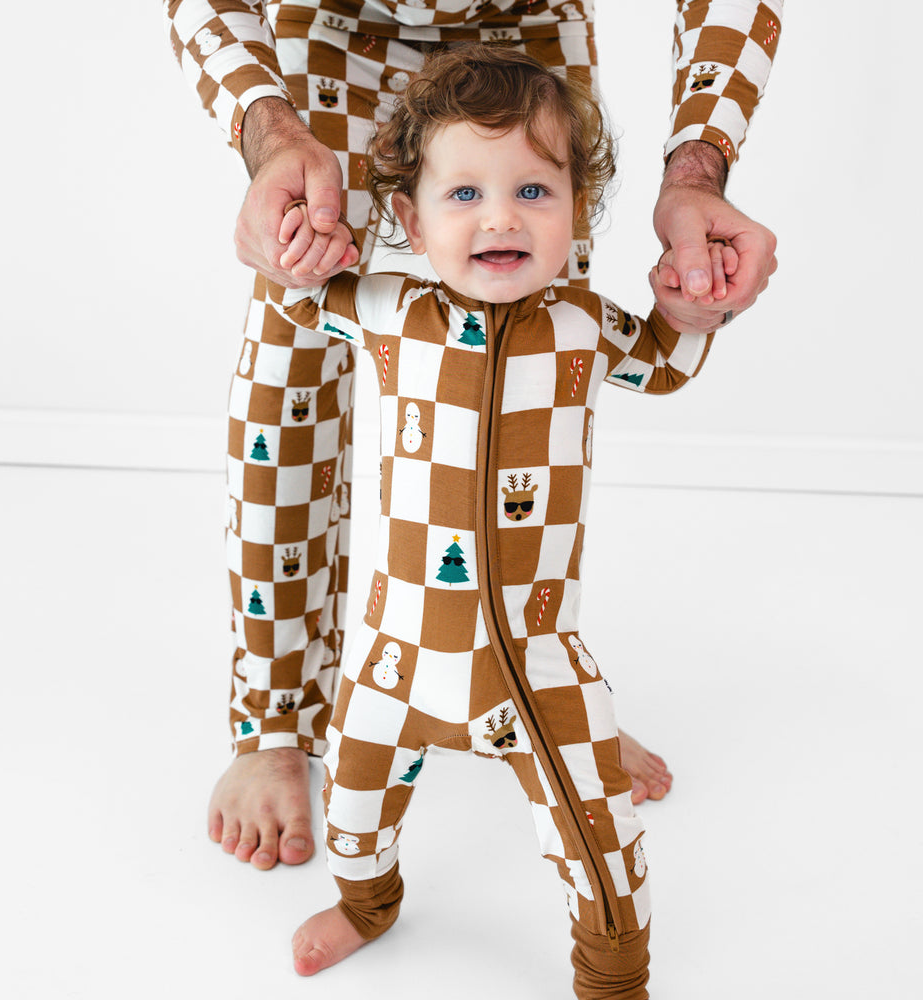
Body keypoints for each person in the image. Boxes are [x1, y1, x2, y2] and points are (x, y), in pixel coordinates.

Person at [164, 0, 780, 871]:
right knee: (290, 344)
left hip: (527, 25)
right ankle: (274, 718)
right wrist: (267, 134)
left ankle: (541, 698)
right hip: (335, 23)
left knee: (538, 342)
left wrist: (697, 176)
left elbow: (650, 354)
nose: (497, 214)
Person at [265, 44, 735, 995]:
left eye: (533, 190)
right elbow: (297, 288)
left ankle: (614, 973)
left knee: (600, 839)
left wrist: (693, 307)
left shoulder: (586, 327)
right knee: (353, 815)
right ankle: (368, 903)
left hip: (535, 662)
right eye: (464, 194)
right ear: (408, 217)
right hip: (394, 654)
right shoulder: (385, 310)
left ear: (577, 210)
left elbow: (669, 364)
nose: (500, 217)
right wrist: (294, 240)